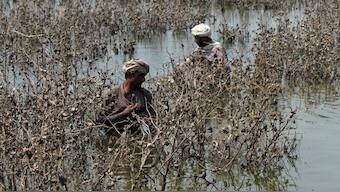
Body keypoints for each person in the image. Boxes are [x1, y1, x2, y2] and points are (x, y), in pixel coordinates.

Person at [96, 59, 154, 134]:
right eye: (141, 76)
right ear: (131, 75)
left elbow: (152, 120)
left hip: (136, 137)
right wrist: (123, 114)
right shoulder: (112, 94)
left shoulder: (145, 95)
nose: (143, 79)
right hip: (114, 136)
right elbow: (99, 120)